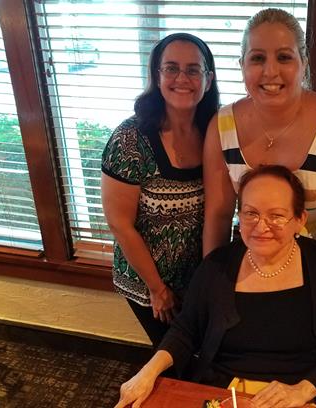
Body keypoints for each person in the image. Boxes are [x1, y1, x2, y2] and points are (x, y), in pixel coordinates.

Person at [203, 8, 316, 364]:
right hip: (251, 274)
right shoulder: (221, 126)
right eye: (257, 58)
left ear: (303, 62)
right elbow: (218, 217)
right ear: (242, 65)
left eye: (284, 57)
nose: (270, 72)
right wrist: (211, 293)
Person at [114, 165, 316, 408]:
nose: (261, 226)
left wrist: (303, 391)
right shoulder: (218, 265)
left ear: (299, 219)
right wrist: (147, 372)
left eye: (276, 216)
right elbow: (185, 330)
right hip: (223, 394)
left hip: (295, 395)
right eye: (251, 213)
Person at [101, 33, 219, 347]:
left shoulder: (216, 131)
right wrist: (157, 288)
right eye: (171, 68)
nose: (183, 78)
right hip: (149, 281)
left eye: (193, 70)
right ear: (157, 76)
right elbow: (119, 224)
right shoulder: (130, 139)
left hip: (198, 279)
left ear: (208, 79)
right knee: (173, 359)